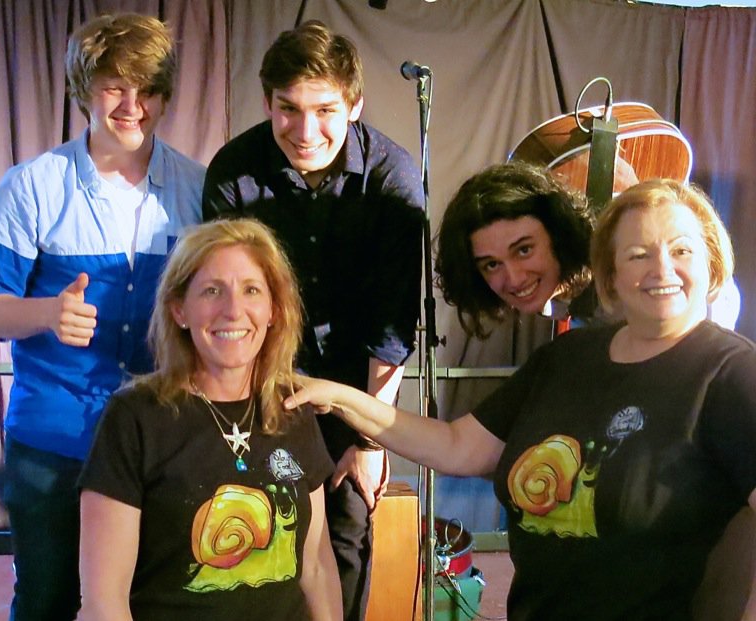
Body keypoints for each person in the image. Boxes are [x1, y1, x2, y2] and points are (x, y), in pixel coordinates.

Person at [285, 178, 756, 620]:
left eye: (681, 250)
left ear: (711, 261)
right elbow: (456, 445)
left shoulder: (733, 373)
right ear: (610, 274)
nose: (661, 269)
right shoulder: (567, 356)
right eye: (638, 255)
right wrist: (342, 398)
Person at [0, 13, 205, 619]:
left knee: (149, 600)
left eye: (147, 89)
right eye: (115, 86)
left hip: (161, 436)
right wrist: (45, 312)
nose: (132, 104)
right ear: (83, 90)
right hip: (53, 440)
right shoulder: (31, 186)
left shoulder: (199, 187)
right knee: (45, 597)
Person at [202, 19, 424, 620]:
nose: (305, 132)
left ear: (355, 104)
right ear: (267, 102)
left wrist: (370, 438)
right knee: (254, 531)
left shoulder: (393, 176)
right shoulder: (234, 168)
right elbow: (223, 301)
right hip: (259, 379)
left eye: (325, 110)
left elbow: (393, 320)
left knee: (346, 535)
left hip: (356, 386)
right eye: (288, 109)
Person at [78, 219, 341, 621]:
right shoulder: (134, 417)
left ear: (273, 310)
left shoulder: (294, 407)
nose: (233, 310)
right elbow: (103, 601)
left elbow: (317, 569)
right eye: (212, 291)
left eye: (251, 290)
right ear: (179, 309)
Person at [435, 160, 594, 337]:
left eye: (524, 250)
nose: (515, 279)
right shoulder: (563, 304)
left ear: (559, 234)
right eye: (492, 264)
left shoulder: (616, 298)